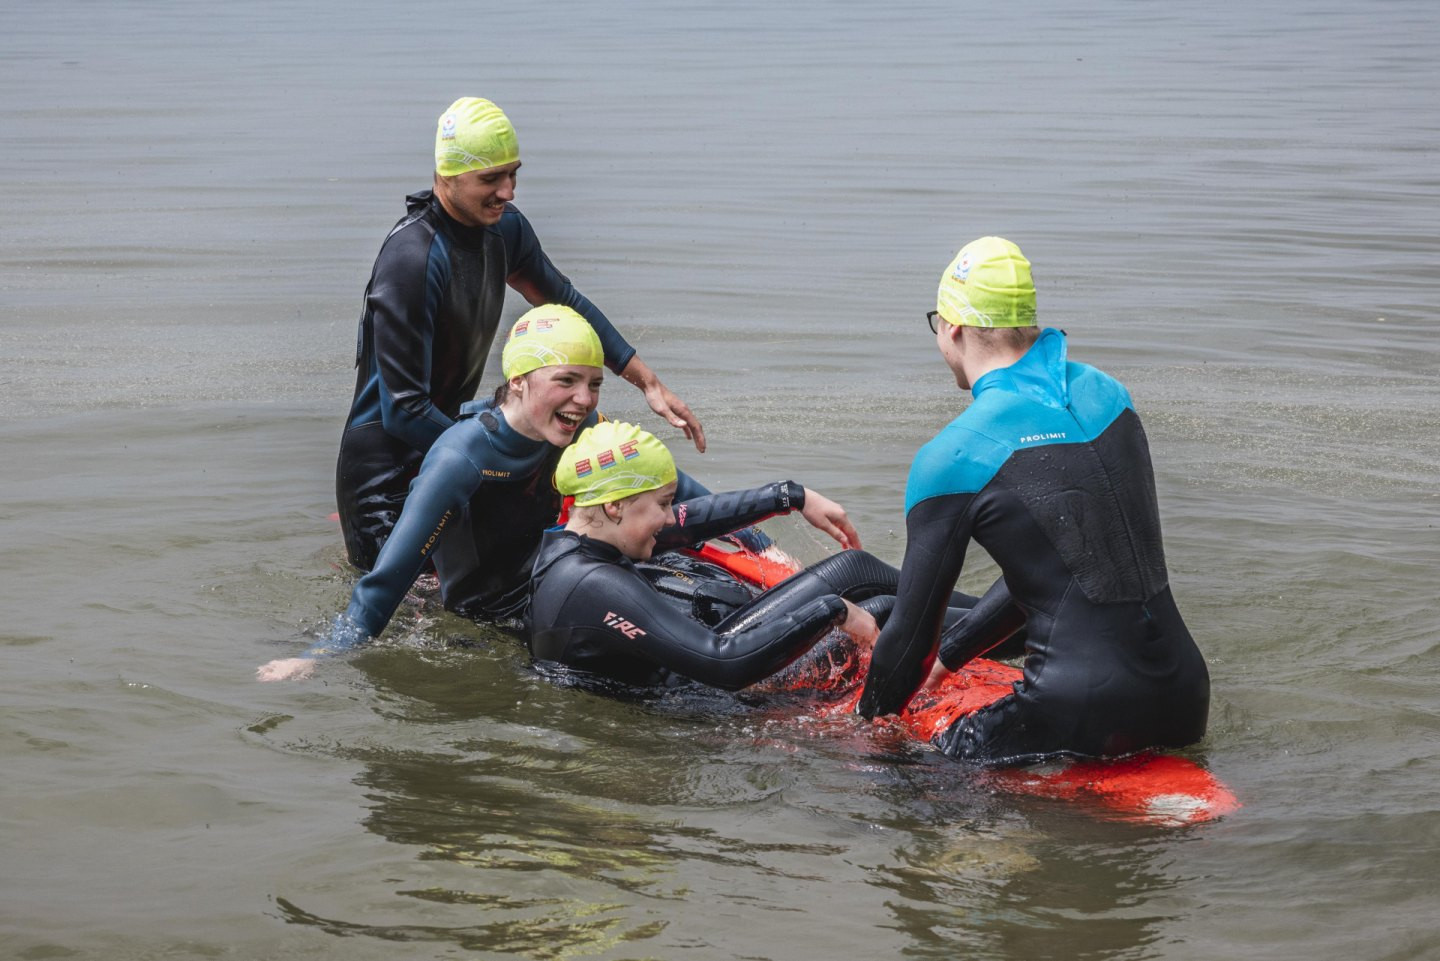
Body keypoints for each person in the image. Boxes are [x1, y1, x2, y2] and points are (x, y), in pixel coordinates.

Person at [855, 237, 1209, 763]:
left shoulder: (955, 453)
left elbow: (908, 641)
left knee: (905, 772)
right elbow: (1069, 562)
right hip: (1184, 697)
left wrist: (867, 730)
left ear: (951, 329)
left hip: (1075, 713)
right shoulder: (1111, 395)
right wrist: (953, 657)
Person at [337, 96, 704, 572]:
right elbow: (404, 410)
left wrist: (647, 381)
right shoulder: (412, 258)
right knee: (421, 623)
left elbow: (564, 301)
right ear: (446, 174)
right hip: (387, 478)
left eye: (513, 174)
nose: (508, 191)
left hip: (454, 446)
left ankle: (728, 527)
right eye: (491, 178)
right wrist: (502, 463)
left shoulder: (504, 230)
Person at [527, 421, 911, 692]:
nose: (669, 516)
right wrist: (833, 610)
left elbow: (694, 519)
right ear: (614, 507)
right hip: (703, 698)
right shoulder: (592, 583)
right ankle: (966, 637)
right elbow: (724, 665)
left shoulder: (578, 538)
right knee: (877, 605)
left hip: (690, 677)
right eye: (662, 504)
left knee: (861, 580)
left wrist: (792, 496)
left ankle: (967, 621)